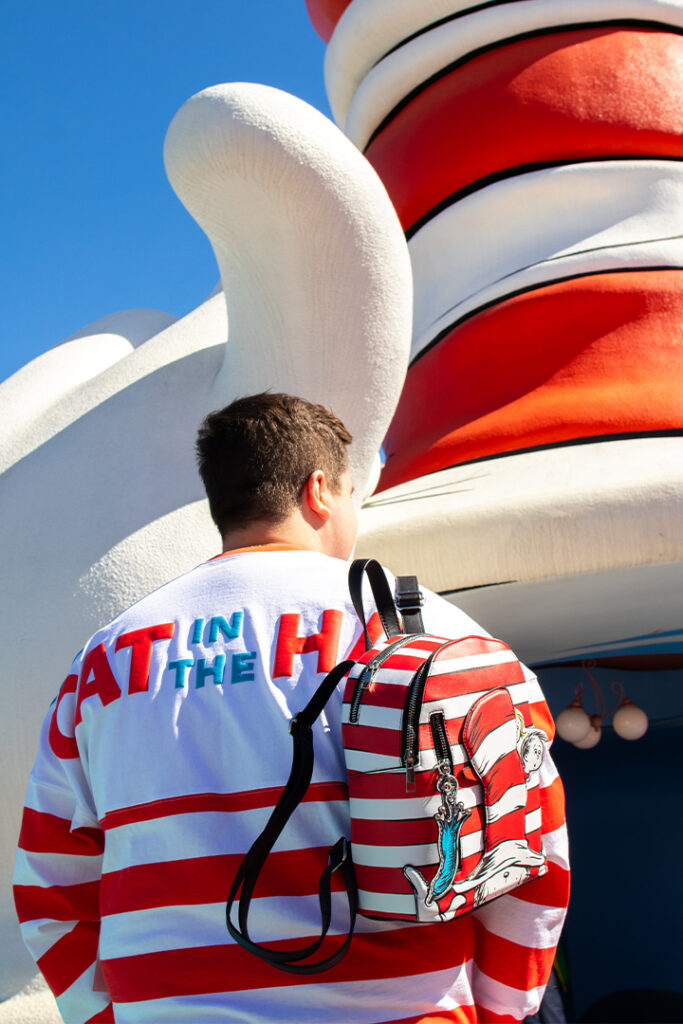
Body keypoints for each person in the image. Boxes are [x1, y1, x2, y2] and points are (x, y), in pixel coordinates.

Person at [14, 392, 569, 1024]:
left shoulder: (101, 660)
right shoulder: (441, 637)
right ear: (319, 491)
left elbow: (50, 887)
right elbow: (535, 854)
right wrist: (502, 1009)